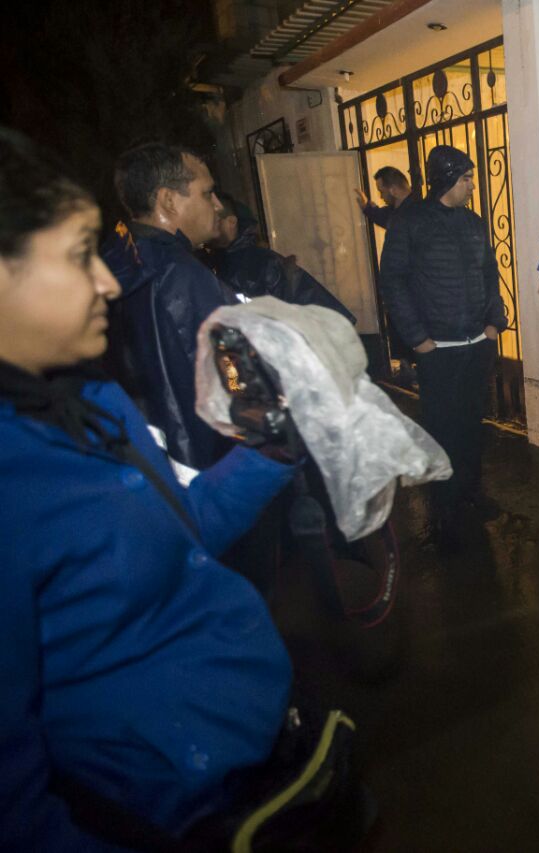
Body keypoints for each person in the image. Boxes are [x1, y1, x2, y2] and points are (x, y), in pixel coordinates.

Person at [0, 127, 335, 849]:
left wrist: (270, 445)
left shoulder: (91, 403)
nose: (110, 281)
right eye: (76, 255)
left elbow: (185, 530)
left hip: (255, 769)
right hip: (164, 818)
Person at [378, 145, 507, 549]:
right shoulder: (411, 222)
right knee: (443, 431)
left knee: (471, 426)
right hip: (438, 349)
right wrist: (418, 338)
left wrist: (494, 323)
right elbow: (393, 281)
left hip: (475, 345)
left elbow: (490, 272)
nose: (472, 184)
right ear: (449, 178)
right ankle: (444, 511)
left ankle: (471, 493)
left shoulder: (473, 223)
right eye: (467, 177)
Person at [113, 141, 240, 471]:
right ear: (168, 200)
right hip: (202, 471)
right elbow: (232, 385)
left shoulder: (118, 256)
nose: (218, 205)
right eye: (206, 193)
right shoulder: (178, 275)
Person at [207, 193, 356, 323]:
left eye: (215, 220)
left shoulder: (263, 263)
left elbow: (311, 304)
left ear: (231, 222)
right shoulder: (213, 263)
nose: (208, 225)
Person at [355, 165, 414, 230]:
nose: (381, 197)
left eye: (382, 192)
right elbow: (382, 216)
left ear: (393, 190)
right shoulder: (396, 211)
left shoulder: (416, 213)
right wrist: (367, 207)